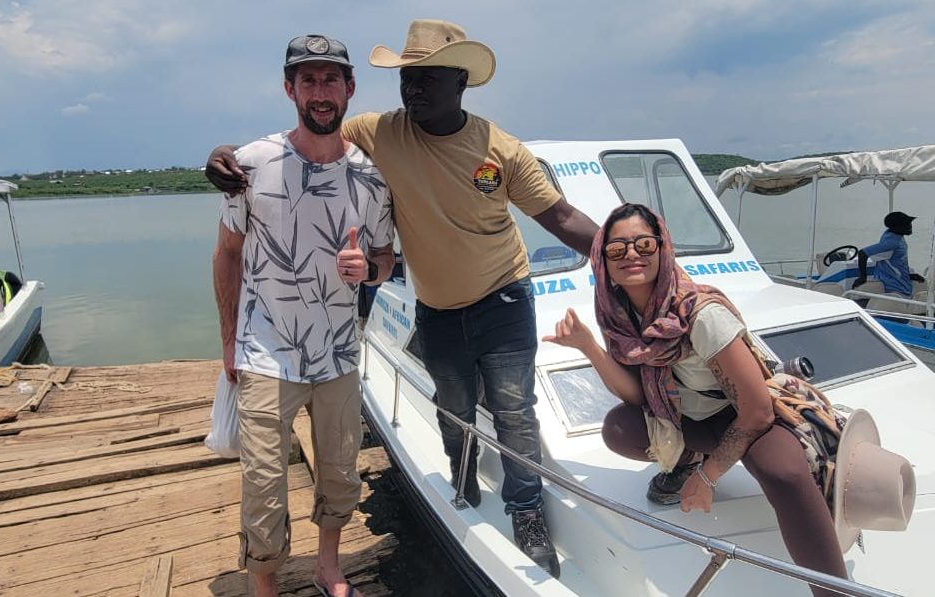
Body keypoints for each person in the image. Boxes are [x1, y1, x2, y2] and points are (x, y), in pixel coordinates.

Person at [207, 19, 599, 579]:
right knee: (453, 408)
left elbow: (559, 216)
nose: (413, 88)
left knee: (514, 411)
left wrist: (633, 256)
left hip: (503, 297)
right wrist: (224, 155)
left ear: (460, 82)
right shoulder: (382, 131)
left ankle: (525, 509)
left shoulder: (499, 149)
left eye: (428, 78)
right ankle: (461, 477)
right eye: (407, 78)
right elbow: (307, 136)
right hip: (436, 308)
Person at [543, 203, 848, 596]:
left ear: (663, 247)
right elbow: (638, 396)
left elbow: (755, 410)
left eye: (644, 244)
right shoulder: (618, 316)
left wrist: (709, 479)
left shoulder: (700, 313)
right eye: (616, 249)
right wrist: (588, 346)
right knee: (620, 429)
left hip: (741, 414)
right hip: (689, 418)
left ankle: (836, 591)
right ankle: (689, 461)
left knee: (784, 473)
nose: (631, 254)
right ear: (602, 261)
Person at [212, 34, 394, 597]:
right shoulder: (250, 164)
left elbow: (387, 260)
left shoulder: (371, 176)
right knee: (262, 482)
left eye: (331, 80)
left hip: (338, 349)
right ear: (290, 88)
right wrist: (226, 344)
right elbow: (228, 253)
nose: (320, 92)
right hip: (264, 347)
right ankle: (265, 583)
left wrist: (366, 269)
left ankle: (327, 567)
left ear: (349, 89)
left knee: (340, 471)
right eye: (308, 80)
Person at [853, 211, 923, 297]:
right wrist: (863, 277)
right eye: (906, 224)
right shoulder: (891, 243)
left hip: (903, 285)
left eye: (909, 223)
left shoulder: (894, 235)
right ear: (895, 227)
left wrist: (909, 275)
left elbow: (894, 261)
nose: (910, 226)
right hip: (895, 290)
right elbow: (862, 253)